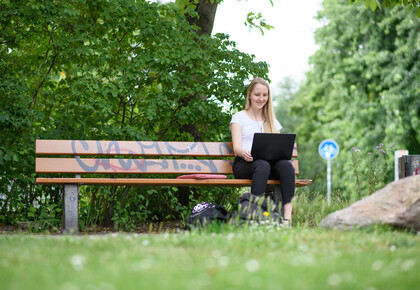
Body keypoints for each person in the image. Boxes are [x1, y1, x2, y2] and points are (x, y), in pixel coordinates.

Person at [230, 77, 295, 226]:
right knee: (262, 165)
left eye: (265, 95)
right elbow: (236, 147)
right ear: (249, 95)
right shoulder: (239, 117)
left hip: (267, 164)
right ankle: (253, 215)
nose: (261, 98)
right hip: (244, 163)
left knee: (286, 166)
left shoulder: (271, 120)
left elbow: (277, 147)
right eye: (257, 95)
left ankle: (286, 218)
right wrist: (243, 152)